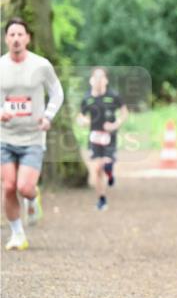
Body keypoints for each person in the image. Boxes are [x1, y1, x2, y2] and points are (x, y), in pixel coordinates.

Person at [0, 18, 64, 250]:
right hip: (5, 137)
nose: (16, 39)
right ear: (6, 39)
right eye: (12, 35)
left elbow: (57, 92)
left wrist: (47, 116)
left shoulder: (41, 65)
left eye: (20, 34)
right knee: (8, 187)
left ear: (27, 38)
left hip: (33, 137)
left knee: (24, 187)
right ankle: (18, 234)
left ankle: (32, 197)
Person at [77, 67, 128, 211]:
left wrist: (116, 124)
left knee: (106, 165)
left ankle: (110, 172)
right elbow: (80, 116)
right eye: (96, 77)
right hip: (94, 137)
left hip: (109, 137)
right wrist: (83, 121)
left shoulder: (113, 96)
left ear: (106, 80)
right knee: (97, 168)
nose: (99, 81)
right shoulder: (87, 98)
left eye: (101, 77)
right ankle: (101, 199)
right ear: (91, 80)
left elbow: (124, 112)